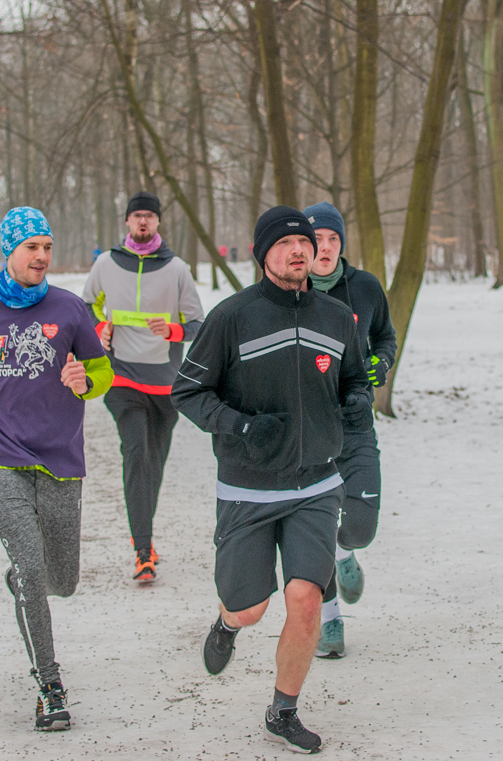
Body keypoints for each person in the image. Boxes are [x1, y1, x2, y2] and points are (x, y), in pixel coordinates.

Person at [173, 206, 372, 753]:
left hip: (315, 485)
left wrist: (356, 399)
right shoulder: (232, 316)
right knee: (250, 606)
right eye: (285, 244)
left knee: (306, 598)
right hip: (247, 487)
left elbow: (356, 377)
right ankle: (228, 624)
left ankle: (283, 710)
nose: (298, 251)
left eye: (304, 243)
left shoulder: (336, 317)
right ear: (264, 255)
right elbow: (187, 392)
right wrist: (239, 426)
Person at [0, 207, 113, 730]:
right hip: (0, 455)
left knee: (62, 579)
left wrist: (87, 380)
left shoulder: (71, 309)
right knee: (34, 570)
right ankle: (49, 687)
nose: (41, 256)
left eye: (47, 247)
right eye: (31, 247)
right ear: (9, 251)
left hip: (60, 459)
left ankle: (24, 580)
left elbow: (102, 372)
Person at [83, 191, 206, 583]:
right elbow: (85, 307)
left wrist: (171, 330)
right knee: (135, 453)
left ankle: (144, 537)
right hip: (121, 377)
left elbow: (199, 325)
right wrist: (100, 328)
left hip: (165, 384)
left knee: (153, 463)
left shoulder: (177, 270)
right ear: (126, 222)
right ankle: (142, 549)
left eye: (148, 217)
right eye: (136, 216)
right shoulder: (105, 264)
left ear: (157, 223)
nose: (142, 223)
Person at [300, 202, 396, 660]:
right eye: (317, 239)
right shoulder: (291, 292)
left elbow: (385, 339)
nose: (326, 247)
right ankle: (331, 620)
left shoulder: (366, 288)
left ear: (342, 243)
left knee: (359, 526)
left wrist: (380, 363)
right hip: (308, 429)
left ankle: (346, 553)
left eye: (333, 239)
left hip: (356, 423)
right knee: (313, 529)